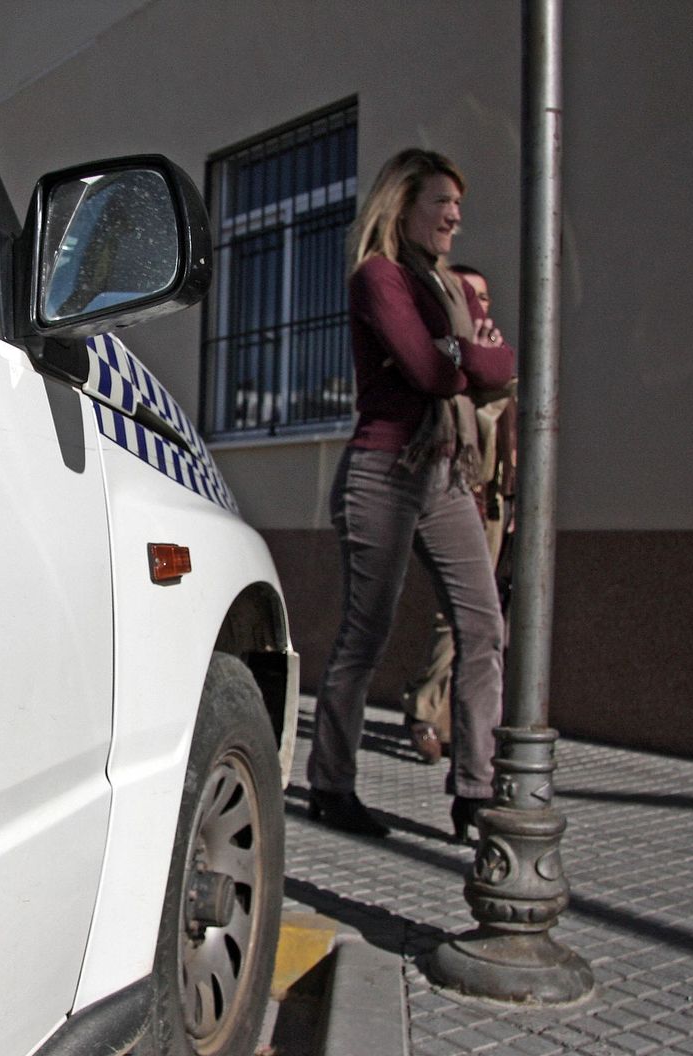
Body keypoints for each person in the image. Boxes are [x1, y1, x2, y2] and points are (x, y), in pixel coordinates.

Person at [306, 149, 515, 842]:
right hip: (387, 469)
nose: (455, 214)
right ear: (404, 207)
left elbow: (502, 367)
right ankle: (331, 786)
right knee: (364, 638)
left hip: (448, 473)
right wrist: (463, 355)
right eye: (441, 202)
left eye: (459, 204)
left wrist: (463, 355)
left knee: (483, 626)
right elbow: (432, 369)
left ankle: (475, 791)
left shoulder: (449, 285)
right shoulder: (379, 278)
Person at [400, 264, 518, 765]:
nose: (483, 306)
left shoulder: (496, 354)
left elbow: (512, 429)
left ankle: (452, 724)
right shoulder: (449, 354)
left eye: (488, 297)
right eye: (473, 296)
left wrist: (513, 501)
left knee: (487, 617)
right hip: (457, 494)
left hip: (495, 498)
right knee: (460, 614)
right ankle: (425, 709)